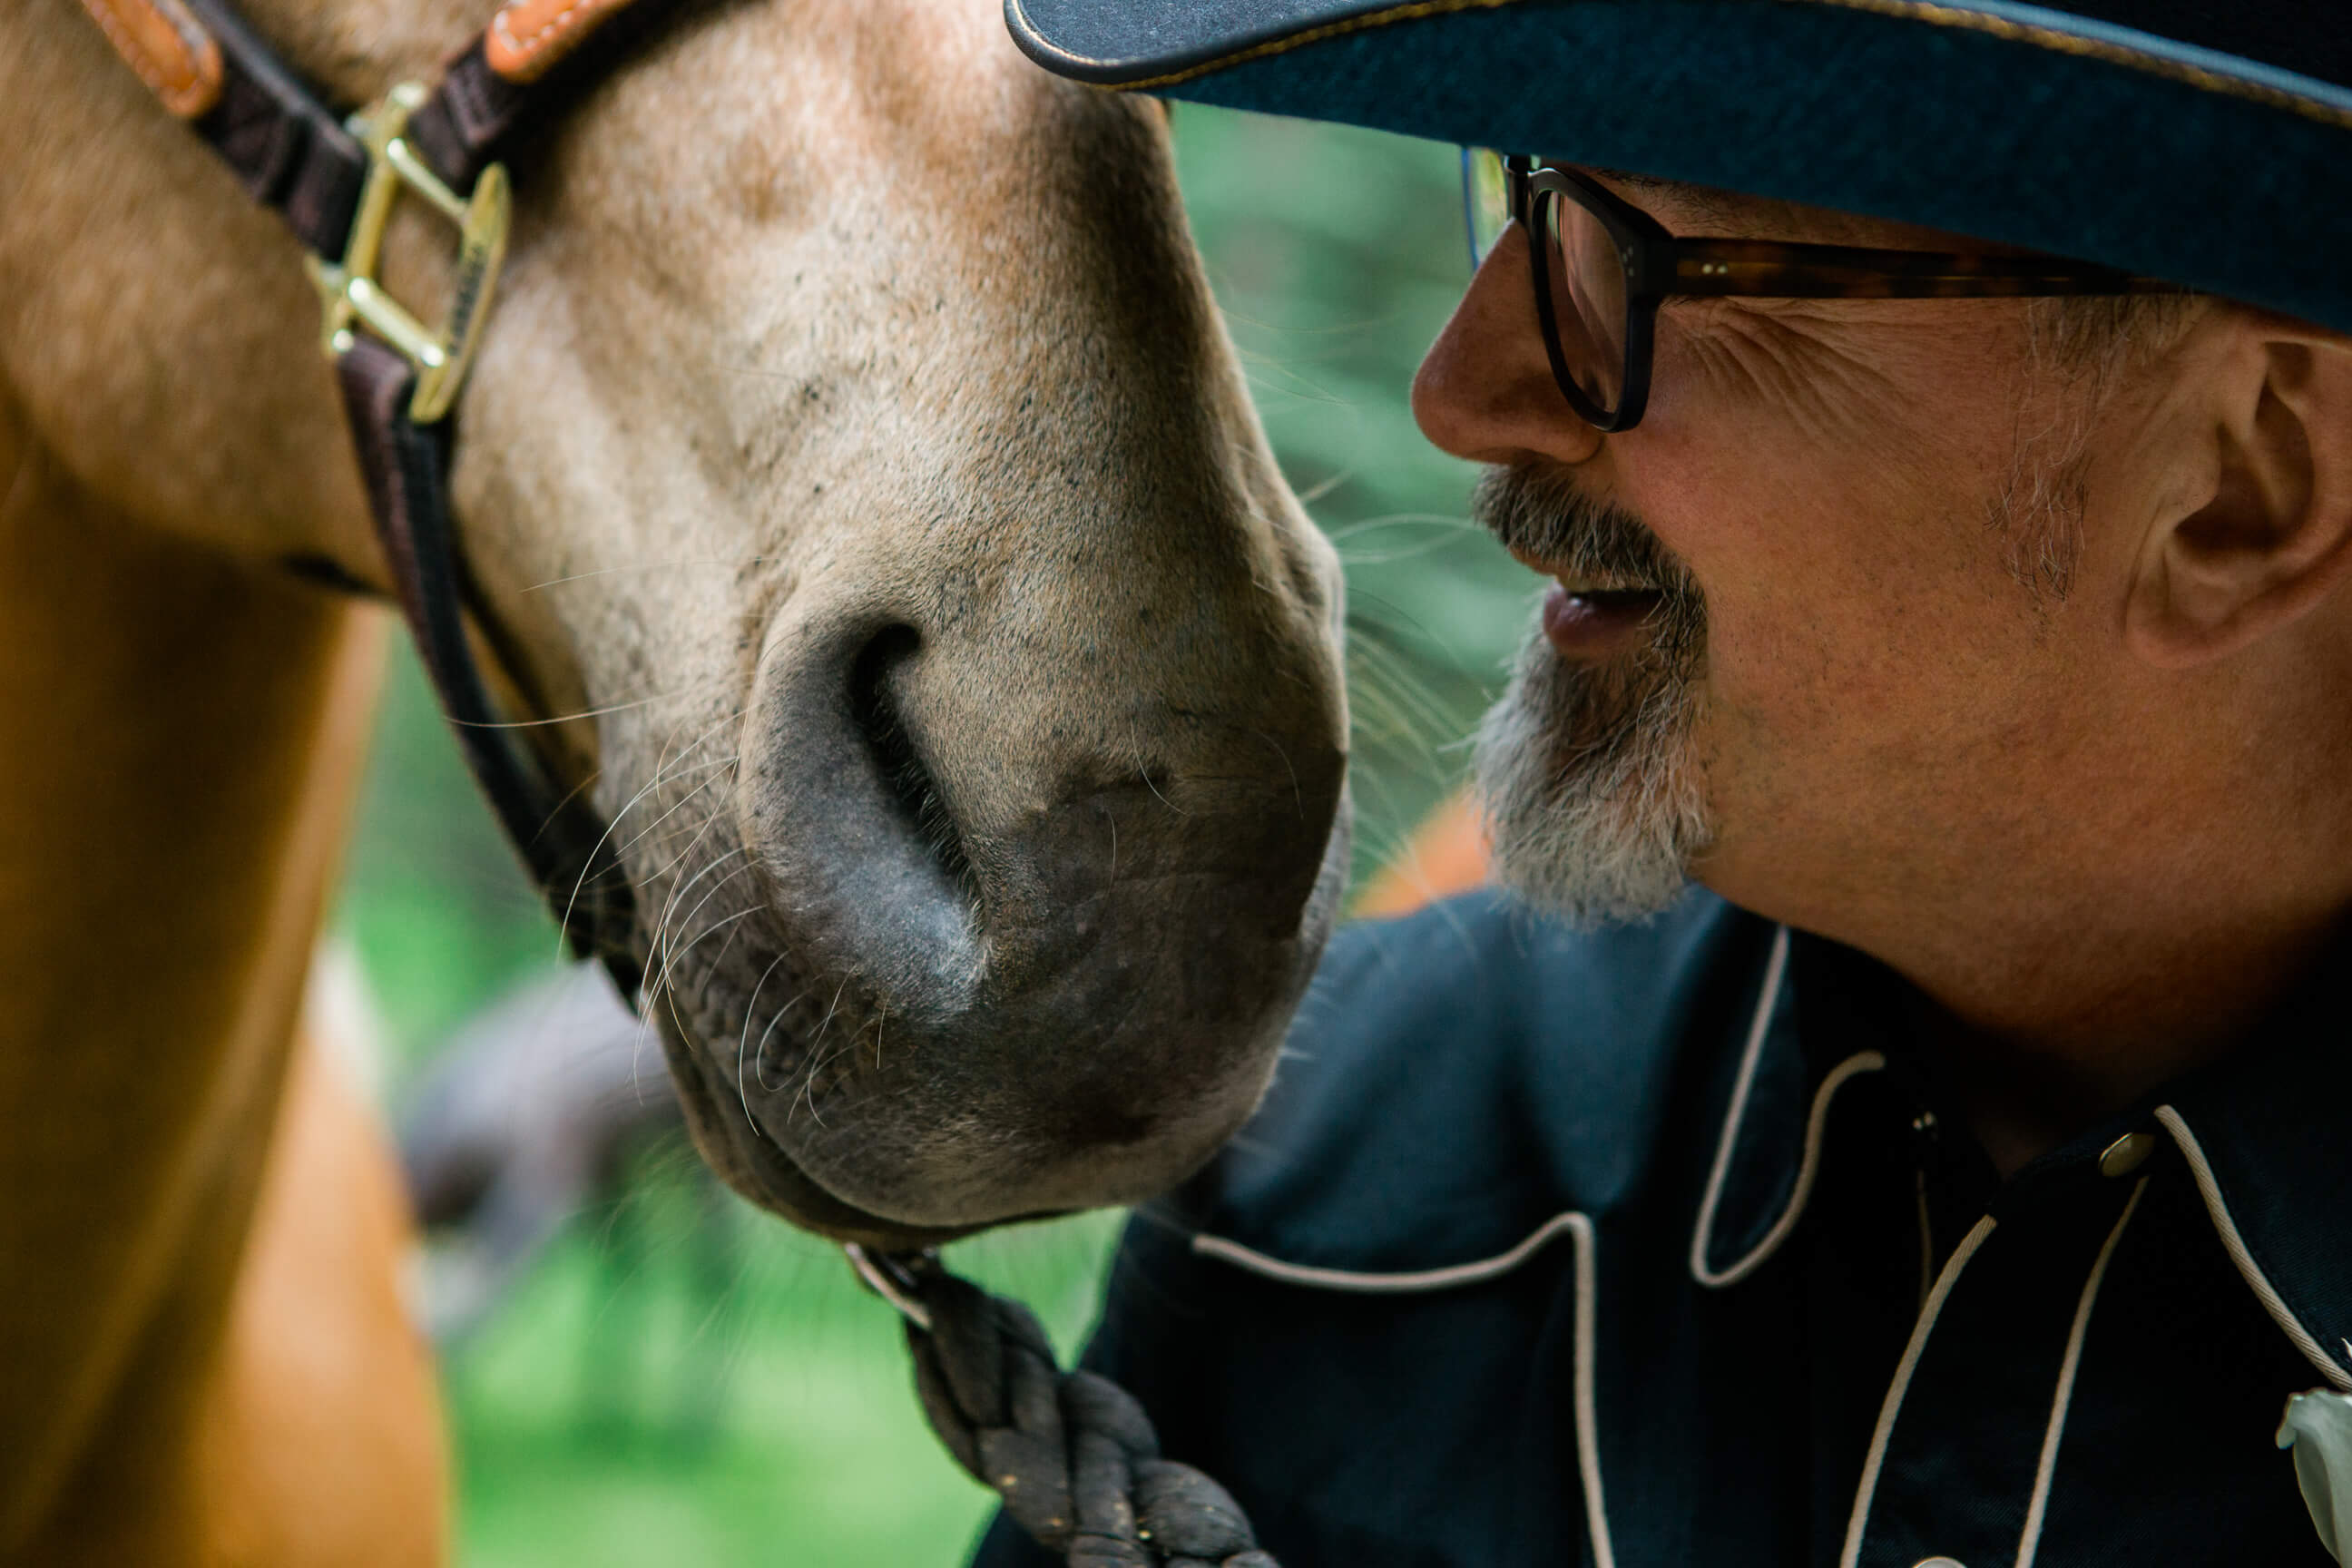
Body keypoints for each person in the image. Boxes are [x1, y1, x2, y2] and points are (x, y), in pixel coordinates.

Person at [979, 3, 2352, 1563]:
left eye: (1628, 260)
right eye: (1534, 195)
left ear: (2244, 482)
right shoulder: (1336, 1174)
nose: (1465, 391)